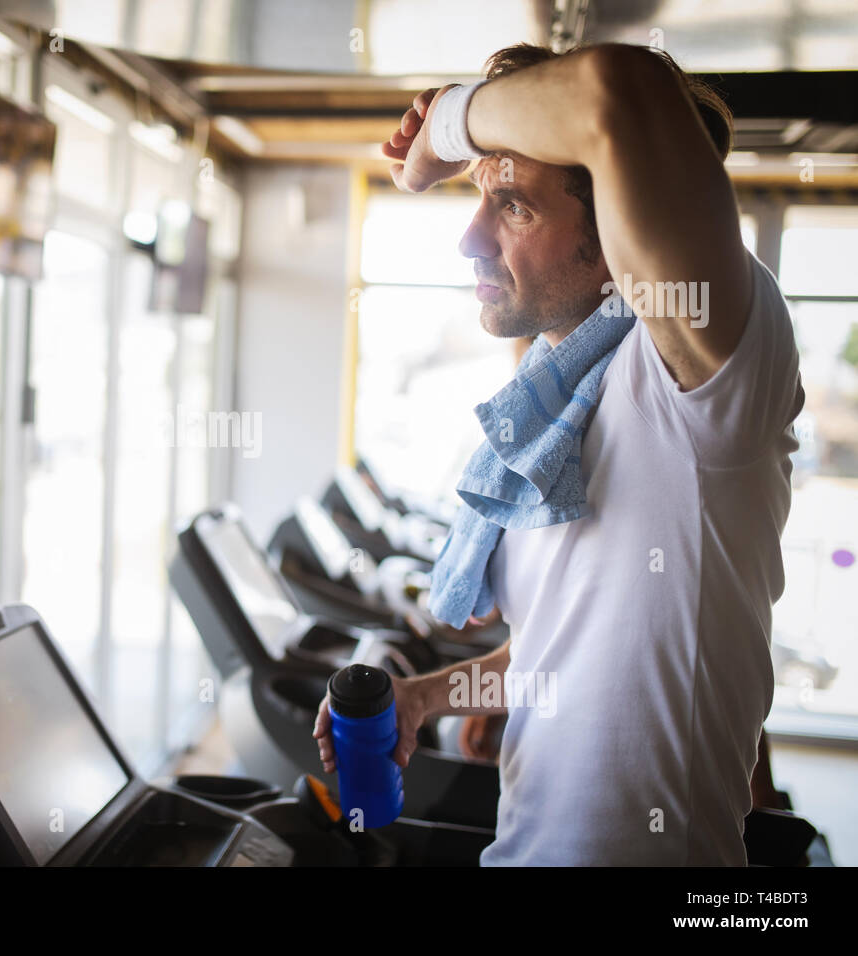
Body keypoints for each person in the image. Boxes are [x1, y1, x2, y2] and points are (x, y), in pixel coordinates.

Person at [314, 41, 805, 865]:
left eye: (514, 205)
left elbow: (623, 92)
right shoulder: (563, 406)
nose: (470, 240)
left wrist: (446, 122)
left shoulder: (699, 368)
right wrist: (425, 697)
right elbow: (551, 651)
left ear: (622, 222)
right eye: (483, 198)